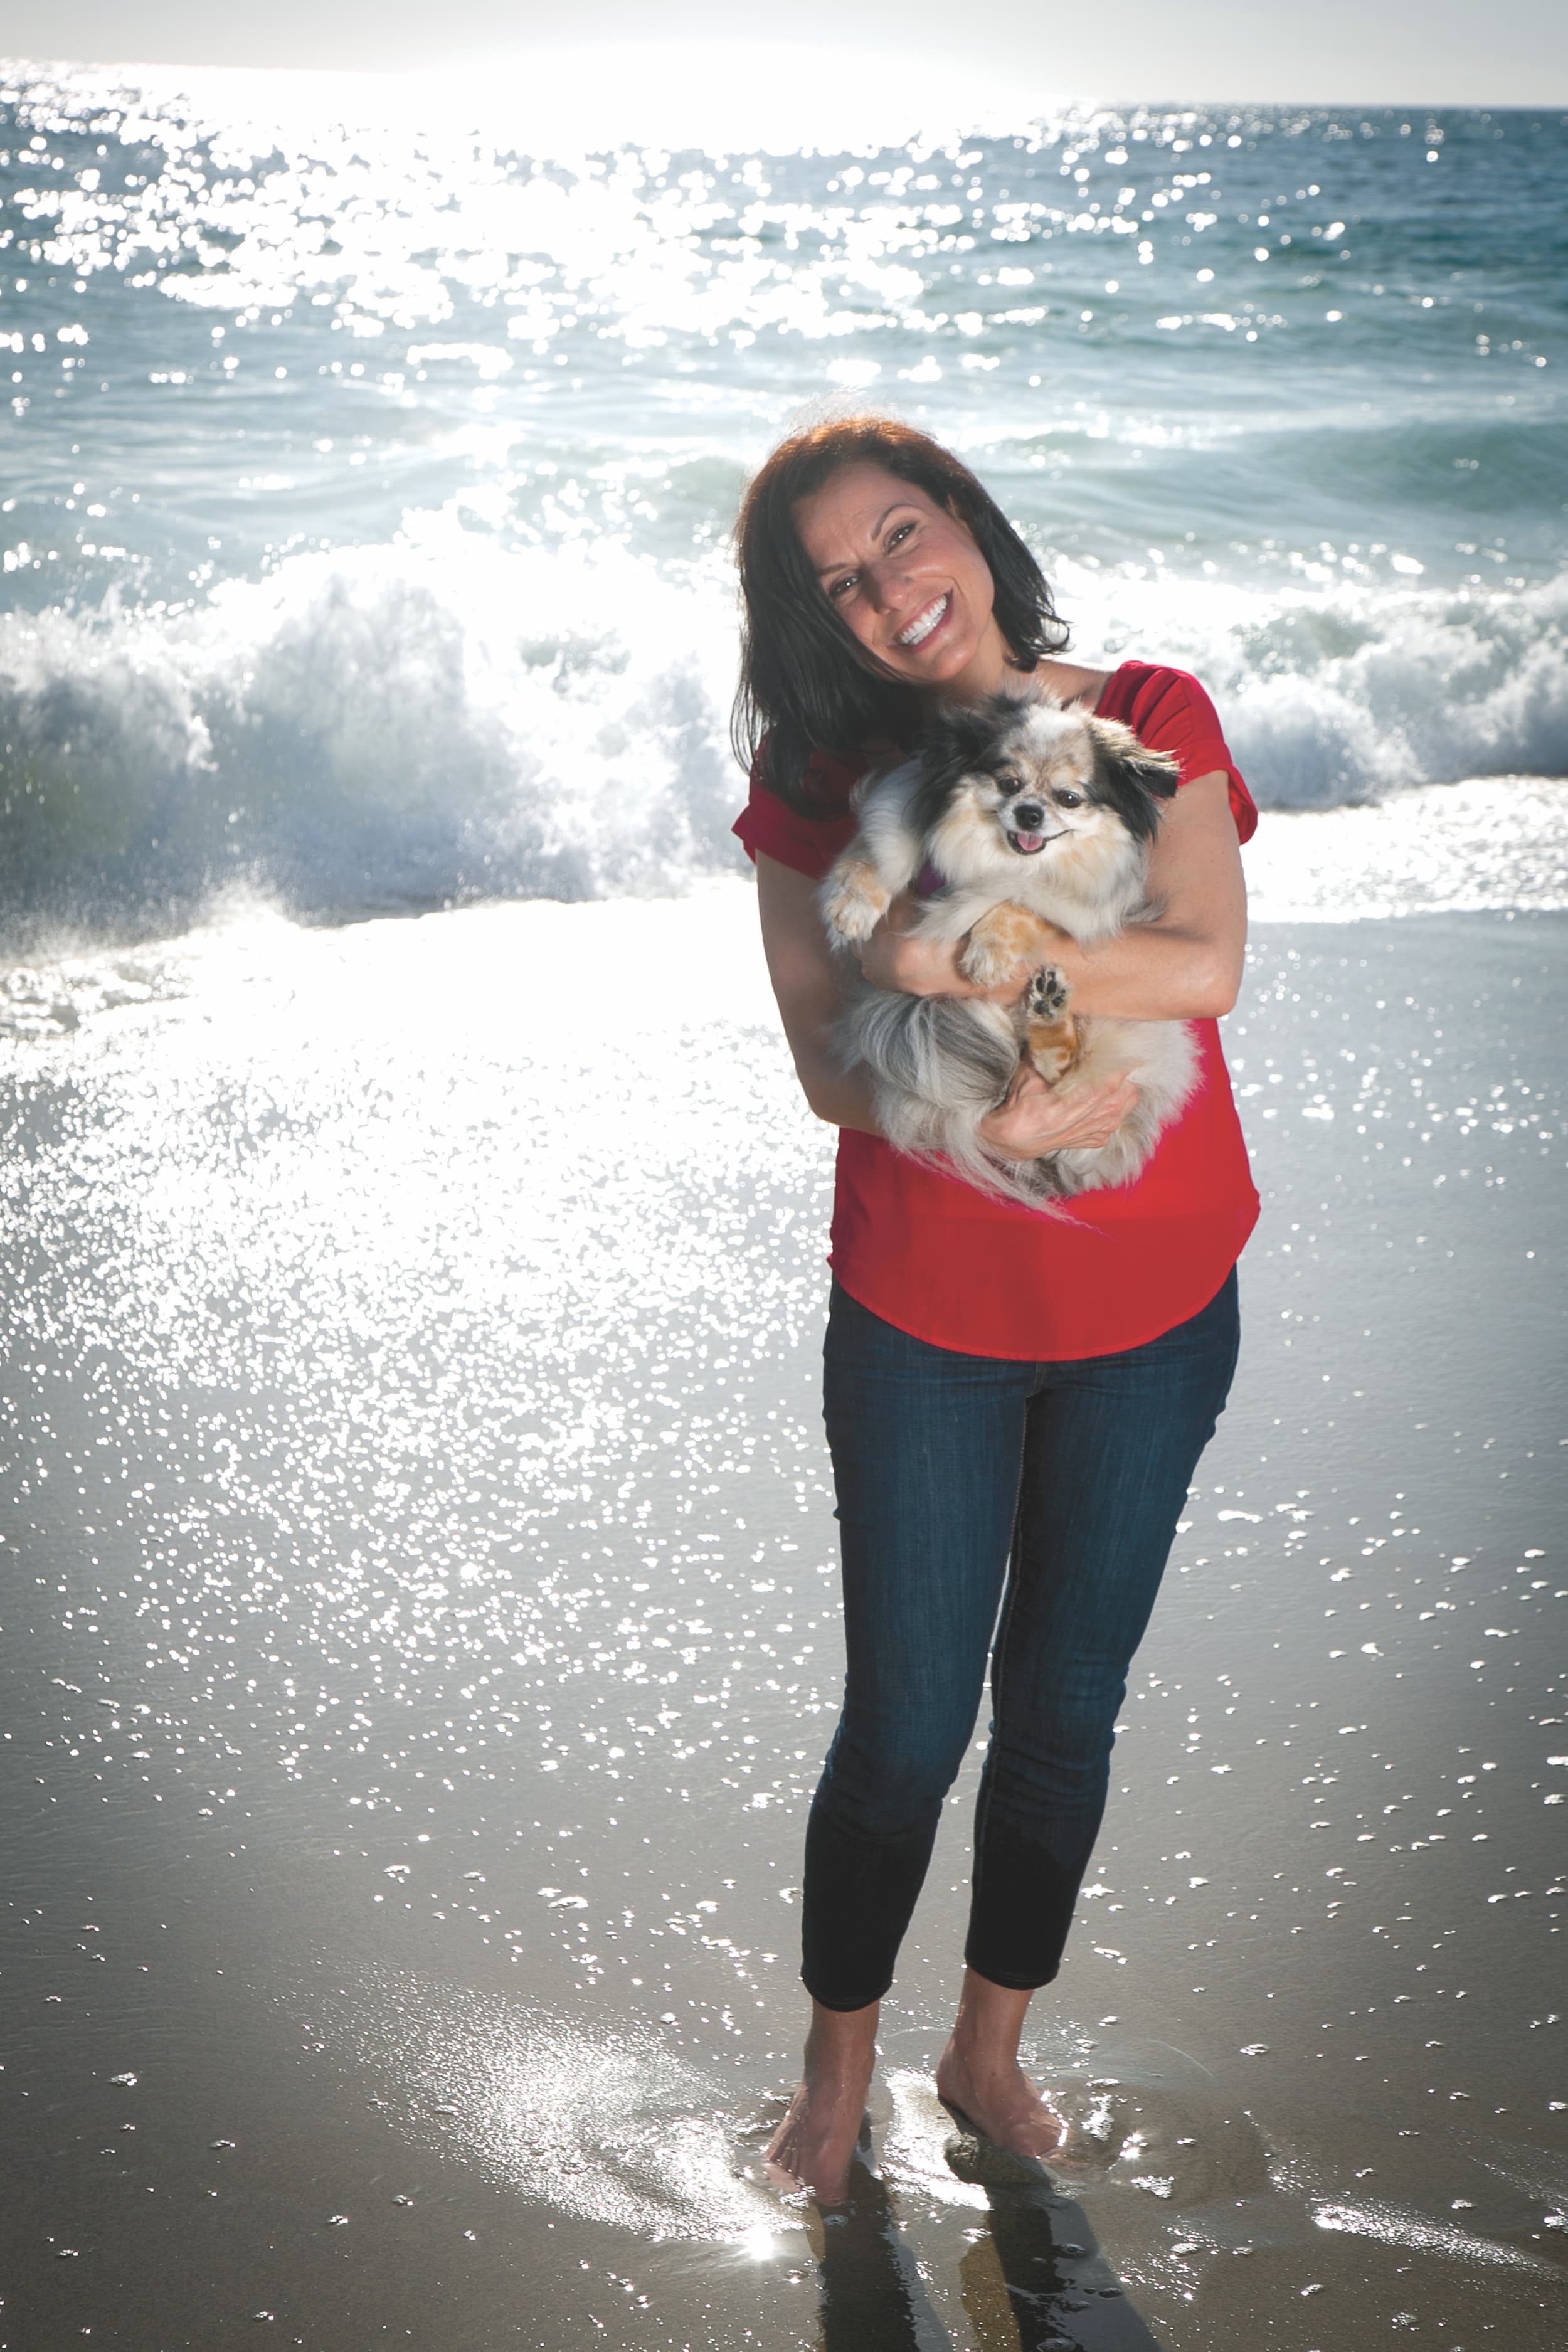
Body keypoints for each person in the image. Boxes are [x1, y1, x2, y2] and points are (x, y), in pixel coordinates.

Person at [730, 416, 1258, 2206]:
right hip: (926, 1315)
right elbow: (823, 1072)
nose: (893, 589)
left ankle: (989, 2051)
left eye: (905, 533)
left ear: (964, 522)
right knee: (899, 1726)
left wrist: (955, 950)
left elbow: (1199, 960)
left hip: (1154, 1298)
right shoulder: (819, 789)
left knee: (1064, 1709)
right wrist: (973, 1118)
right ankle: (833, 2073)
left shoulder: (1147, 714)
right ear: (817, 621)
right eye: (841, 579)